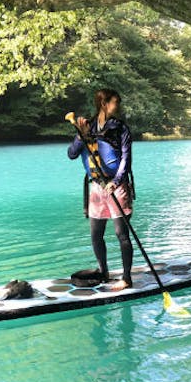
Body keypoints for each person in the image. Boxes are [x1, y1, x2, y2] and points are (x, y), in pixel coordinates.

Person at [68, 89, 134, 291]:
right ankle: (103, 272)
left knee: (122, 234)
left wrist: (116, 181)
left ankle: (126, 278)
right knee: (96, 234)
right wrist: (81, 136)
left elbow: (126, 158)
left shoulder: (120, 128)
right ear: (104, 104)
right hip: (96, 187)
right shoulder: (86, 127)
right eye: (115, 102)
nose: (119, 106)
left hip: (116, 186)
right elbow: (71, 154)